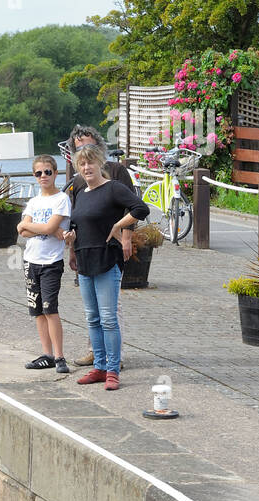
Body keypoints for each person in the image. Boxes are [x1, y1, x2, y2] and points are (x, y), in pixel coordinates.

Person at [61, 144, 148, 391]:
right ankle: (98, 367)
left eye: (90, 162)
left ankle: (112, 369)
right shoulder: (82, 192)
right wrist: (71, 239)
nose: (87, 168)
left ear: (100, 164)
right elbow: (80, 226)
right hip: (85, 262)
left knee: (109, 319)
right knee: (92, 318)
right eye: (82, 164)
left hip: (107, 260)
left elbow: (141, 209)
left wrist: (119, 226)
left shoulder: (113, 189)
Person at [17, 155, 72, 375]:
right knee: (37, 311)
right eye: (38, 173)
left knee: (50, 309)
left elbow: (46, 228)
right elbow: (21, 230)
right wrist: (45, 228)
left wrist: (34, 227)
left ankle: (59, 356)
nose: (43, 177)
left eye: (47, 172)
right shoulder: (34, 201)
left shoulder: (61, 199)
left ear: (55, 173)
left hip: (51, 262)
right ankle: (46, 354)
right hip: (31, 261)